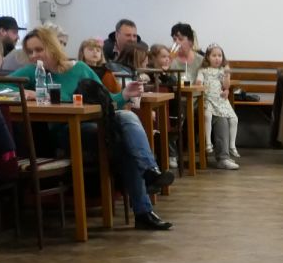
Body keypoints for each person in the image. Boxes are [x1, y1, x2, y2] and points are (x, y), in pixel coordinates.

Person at [10, 27, 175, 231]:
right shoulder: (33, 72)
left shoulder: (80, 68)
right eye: (30, 52)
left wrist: (124, 94)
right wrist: (27, 92)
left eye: (39, 49)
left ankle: (149, 176)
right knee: (122, 138)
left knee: (127, 120)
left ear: (52, 47)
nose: (34, 56)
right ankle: (146, 198)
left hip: (93, 125)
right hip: (65, 132)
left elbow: (107, 100)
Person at [197, 43, 240, 170]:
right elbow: (199, 82)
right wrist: (199, 82)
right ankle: (209, 144)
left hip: (220, 101)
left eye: (219, 55)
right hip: (208, 99)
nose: (217, 58)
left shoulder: (222, 71)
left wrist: (227, 75)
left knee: (233, 119)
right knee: (208, 115)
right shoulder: (203, 70)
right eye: (214, 55)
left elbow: (226, 86)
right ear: (208, 57)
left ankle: (231, 146)